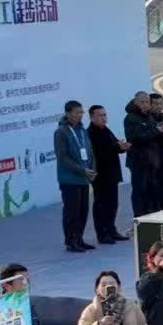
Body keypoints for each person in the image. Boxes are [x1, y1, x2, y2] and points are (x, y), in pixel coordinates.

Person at [55, 99, 97, 251]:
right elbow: (62, 157)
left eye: (81, 112)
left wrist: (92, 168)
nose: (80, 115)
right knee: (71, 211)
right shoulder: (61, 132)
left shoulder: (82, 130)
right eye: (77, 113)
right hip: (70, 178)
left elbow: (90, 151)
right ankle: (70, 241)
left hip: (84, 177)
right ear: (68, 114)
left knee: (83, 211)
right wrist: (81, 170)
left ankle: (79, 238)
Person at [85, 102, 128, 243]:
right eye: (100, 115)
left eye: (104, 115)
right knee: (101, 205)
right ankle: (102, 234)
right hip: (100, 175)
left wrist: (123, 147)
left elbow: (114, 146)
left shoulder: (106, 130)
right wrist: (117, 146)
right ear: (91, 117)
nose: (103, 118)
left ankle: (111, 229)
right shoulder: (90, 133)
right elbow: (98, 152)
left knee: (112, 204)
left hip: (112, 173)